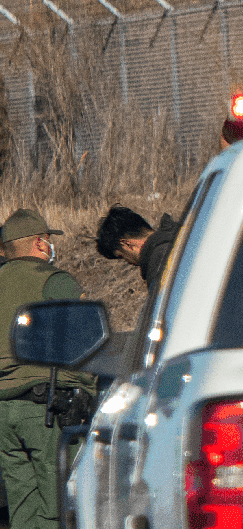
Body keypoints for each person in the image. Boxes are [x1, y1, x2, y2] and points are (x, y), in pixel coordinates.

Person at [0, 209, 96, 529]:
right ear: (40, 245)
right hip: (45, 409)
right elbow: (89, 340)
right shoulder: (55, 281)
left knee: (22, 509)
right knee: (58, 506)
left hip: (4, 412)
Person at [95, 206, 180, 293]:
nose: (128, 262)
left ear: (127, 244)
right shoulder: (183, 234)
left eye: (122, 256)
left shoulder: (158, 267)